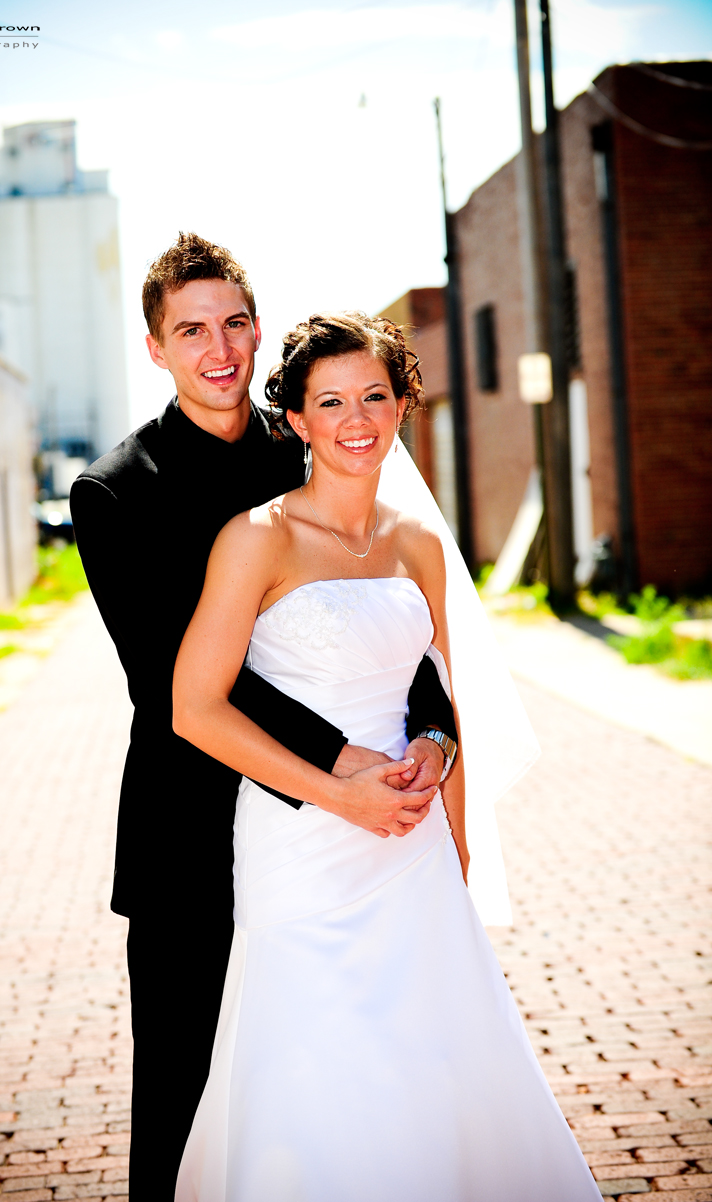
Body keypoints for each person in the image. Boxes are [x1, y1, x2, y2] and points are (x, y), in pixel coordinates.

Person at [172, 312, 602, 1201]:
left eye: (374, 395)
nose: (355, 417)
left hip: (413, 844)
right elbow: (195, 710)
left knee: (432, 1051)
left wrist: (444, 770)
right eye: (329, 401)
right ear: (295, 419)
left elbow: (441, 692)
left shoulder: (414, 540)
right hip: (301, 843)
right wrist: (338, 795)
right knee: (316, 1062)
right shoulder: (256, 538)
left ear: (404, 404)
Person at [70, 235, 454, 1200]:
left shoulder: (316, 447)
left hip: (345, 844)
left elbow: (393, 612)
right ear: (155, 347)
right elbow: (176, 683)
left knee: (338, 1089)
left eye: (235, 323)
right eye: (190, 329)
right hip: (192, 846)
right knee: (190, 1106)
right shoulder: (116, 491)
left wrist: (431, 731)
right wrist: (340, 766)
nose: (219, 348)